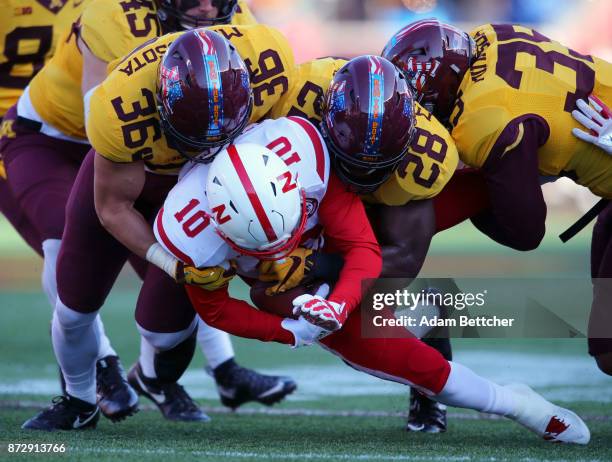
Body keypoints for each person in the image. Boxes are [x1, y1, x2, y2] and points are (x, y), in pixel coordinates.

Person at [155, 116, 590, 445]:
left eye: (286, 231)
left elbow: (362, 248)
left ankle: (575, 165)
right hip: (289, 293)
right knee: (397, 356)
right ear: (217, 224)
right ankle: (512, 402)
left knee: (496, 178)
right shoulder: (191, 236)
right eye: (261, 244)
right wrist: (288, 331)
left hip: (342, 245)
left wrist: (339, 302)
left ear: (290, 185)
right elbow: (213, 307)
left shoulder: (303, 157)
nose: (283, 245)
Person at [22, 26, 295, 431]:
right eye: (196, 135)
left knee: (166, 333)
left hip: (200, 184)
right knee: (74, 308)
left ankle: (151, 375)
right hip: (135, 177)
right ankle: (78, 401)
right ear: (163, 107)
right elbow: (113, 209)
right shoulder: (119, 105)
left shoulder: (273, 67)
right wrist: (171, 264)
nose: (210, 143)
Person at [382, 19, 612, 374]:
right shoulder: (489, 34)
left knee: (609, 350)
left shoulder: (484, 120)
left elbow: (526, 233)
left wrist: (488, 187)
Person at [268, 55, 459, 432]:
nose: (364, 173)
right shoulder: (292, 100)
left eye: (377, 163)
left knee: (349, 320)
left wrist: (312, 265)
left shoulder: (426, 156)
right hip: (309, 186)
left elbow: (403, 260)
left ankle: (426, 329)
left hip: (376, 213)